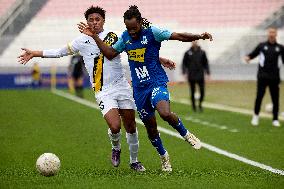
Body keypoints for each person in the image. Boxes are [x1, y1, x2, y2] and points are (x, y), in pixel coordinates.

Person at [78, 5, 213, 172]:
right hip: (139, 90)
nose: (132, 32)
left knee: (164, 112)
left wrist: (199, 36)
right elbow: (111, 53)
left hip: (156, 81)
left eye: (134, 28)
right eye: (128, 28)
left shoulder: (153, 32)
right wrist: (95, 37)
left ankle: (186, 134)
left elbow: (178, 35)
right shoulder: (125, 38)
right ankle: (164, 157)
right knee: (151, 127)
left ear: (140, 23)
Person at [245, 27, 284, 127]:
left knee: (275, 99)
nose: (272, 34)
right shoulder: (262, 46)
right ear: (268, 34)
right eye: (270, 32)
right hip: (262, 76)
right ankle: (255, 116)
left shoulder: (280, 48)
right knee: (259, 97)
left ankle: (275, 119)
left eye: (273, 32)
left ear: (276, 34)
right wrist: (248, 57)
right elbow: (252, 54)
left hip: (275, 78)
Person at [182, 41, 210, 112]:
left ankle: (200, 104)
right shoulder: (187, 52)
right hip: (191, 74)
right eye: (193, 41)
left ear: (197, 42)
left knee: (202, 91)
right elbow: (184, 63)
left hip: (200, 74)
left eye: (196, 41)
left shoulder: (202, 52)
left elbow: (205, 63)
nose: (194, 42)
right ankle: (194, 107)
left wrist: (208, 72)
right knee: (192, 91)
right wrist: (184, 72)